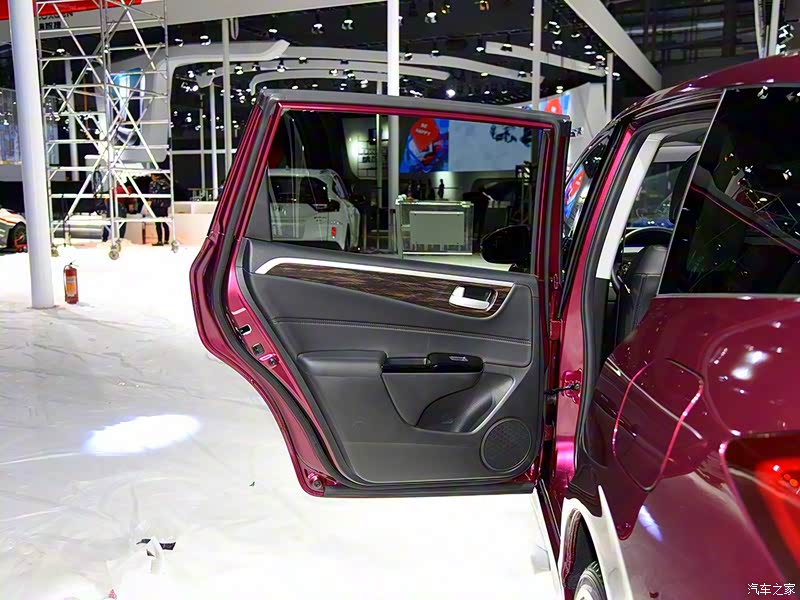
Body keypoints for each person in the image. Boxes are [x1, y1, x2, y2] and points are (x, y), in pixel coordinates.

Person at [149, 173, 170, 246]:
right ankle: (165, 240)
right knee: (163, 222)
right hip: (161, 205)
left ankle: (161, 240)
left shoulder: (157, 183)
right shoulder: (164, 183)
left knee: (159, 223)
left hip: (158, 205)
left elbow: (152, 194)